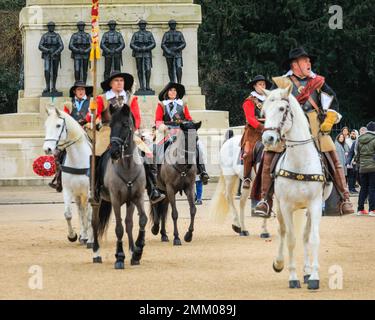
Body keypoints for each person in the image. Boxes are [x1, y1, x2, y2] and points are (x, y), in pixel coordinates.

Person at [253, 47, 354, 217]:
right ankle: (265, 200)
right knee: (269, 153)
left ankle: (344, 198)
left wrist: (329, 119)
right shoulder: (280, 83)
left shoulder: (319, 82)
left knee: (332, 154)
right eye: (305, 60)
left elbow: (333, 102)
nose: (309, 63)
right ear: (295, 64)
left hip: (315, 124)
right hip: (286, 124)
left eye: (309, 60)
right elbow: (270, 103)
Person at [90, 70, 165, 204]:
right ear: (111, 84)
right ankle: (95, 189)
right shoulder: (101, 99)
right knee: (97, 154)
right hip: (108, 131)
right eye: (116, 81)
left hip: (126, 132)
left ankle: (153, 189)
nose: (119, 83)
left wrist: (132, 129)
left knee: (147, 154)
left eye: (121, 81)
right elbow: (93, 117)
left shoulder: (131, 99)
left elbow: (136, 118)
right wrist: (95, 120)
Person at [155, 82, 209, 184]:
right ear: (167, 92)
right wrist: (164, 128)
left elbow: (188, 118)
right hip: (167, 131)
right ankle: (156, 173)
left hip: (182, 130)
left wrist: (190, 124)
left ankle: (202, 170)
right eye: (171, 90)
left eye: (175, 90)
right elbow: (158, 121)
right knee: (158, 147)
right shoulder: (162, 105)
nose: (173, 92)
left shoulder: (182, 104)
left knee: (198, 145)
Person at [49, 81, 93, 192]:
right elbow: (65, 118)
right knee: (60, 152)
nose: (81, 91)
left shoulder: (92, 102)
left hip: (87, 130)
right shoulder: (68, 104)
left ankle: (96, 178)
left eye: (83, 89)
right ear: (74, 91)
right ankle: (58, 179)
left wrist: (87, 122)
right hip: (72, 133)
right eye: (78, 89)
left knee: (97, 149)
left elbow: (93, 115)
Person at [241, 75, 271, 189]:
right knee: (248, 153)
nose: (262, 86)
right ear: (254, 86)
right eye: (260, 84)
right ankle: (247, 177)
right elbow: (250, 119)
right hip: (253, 132)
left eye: (263, 84)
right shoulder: (249, 101)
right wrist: (262, 128)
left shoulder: (269, 100)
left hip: (270, 130)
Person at [354, 122, 375, 216]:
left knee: (363, 188)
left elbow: (357, 154)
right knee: (372, 188)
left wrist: (359, 164)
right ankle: (372, 210)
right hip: (373, 167)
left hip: (362, 167)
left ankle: (360, 209)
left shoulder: (359, 139)